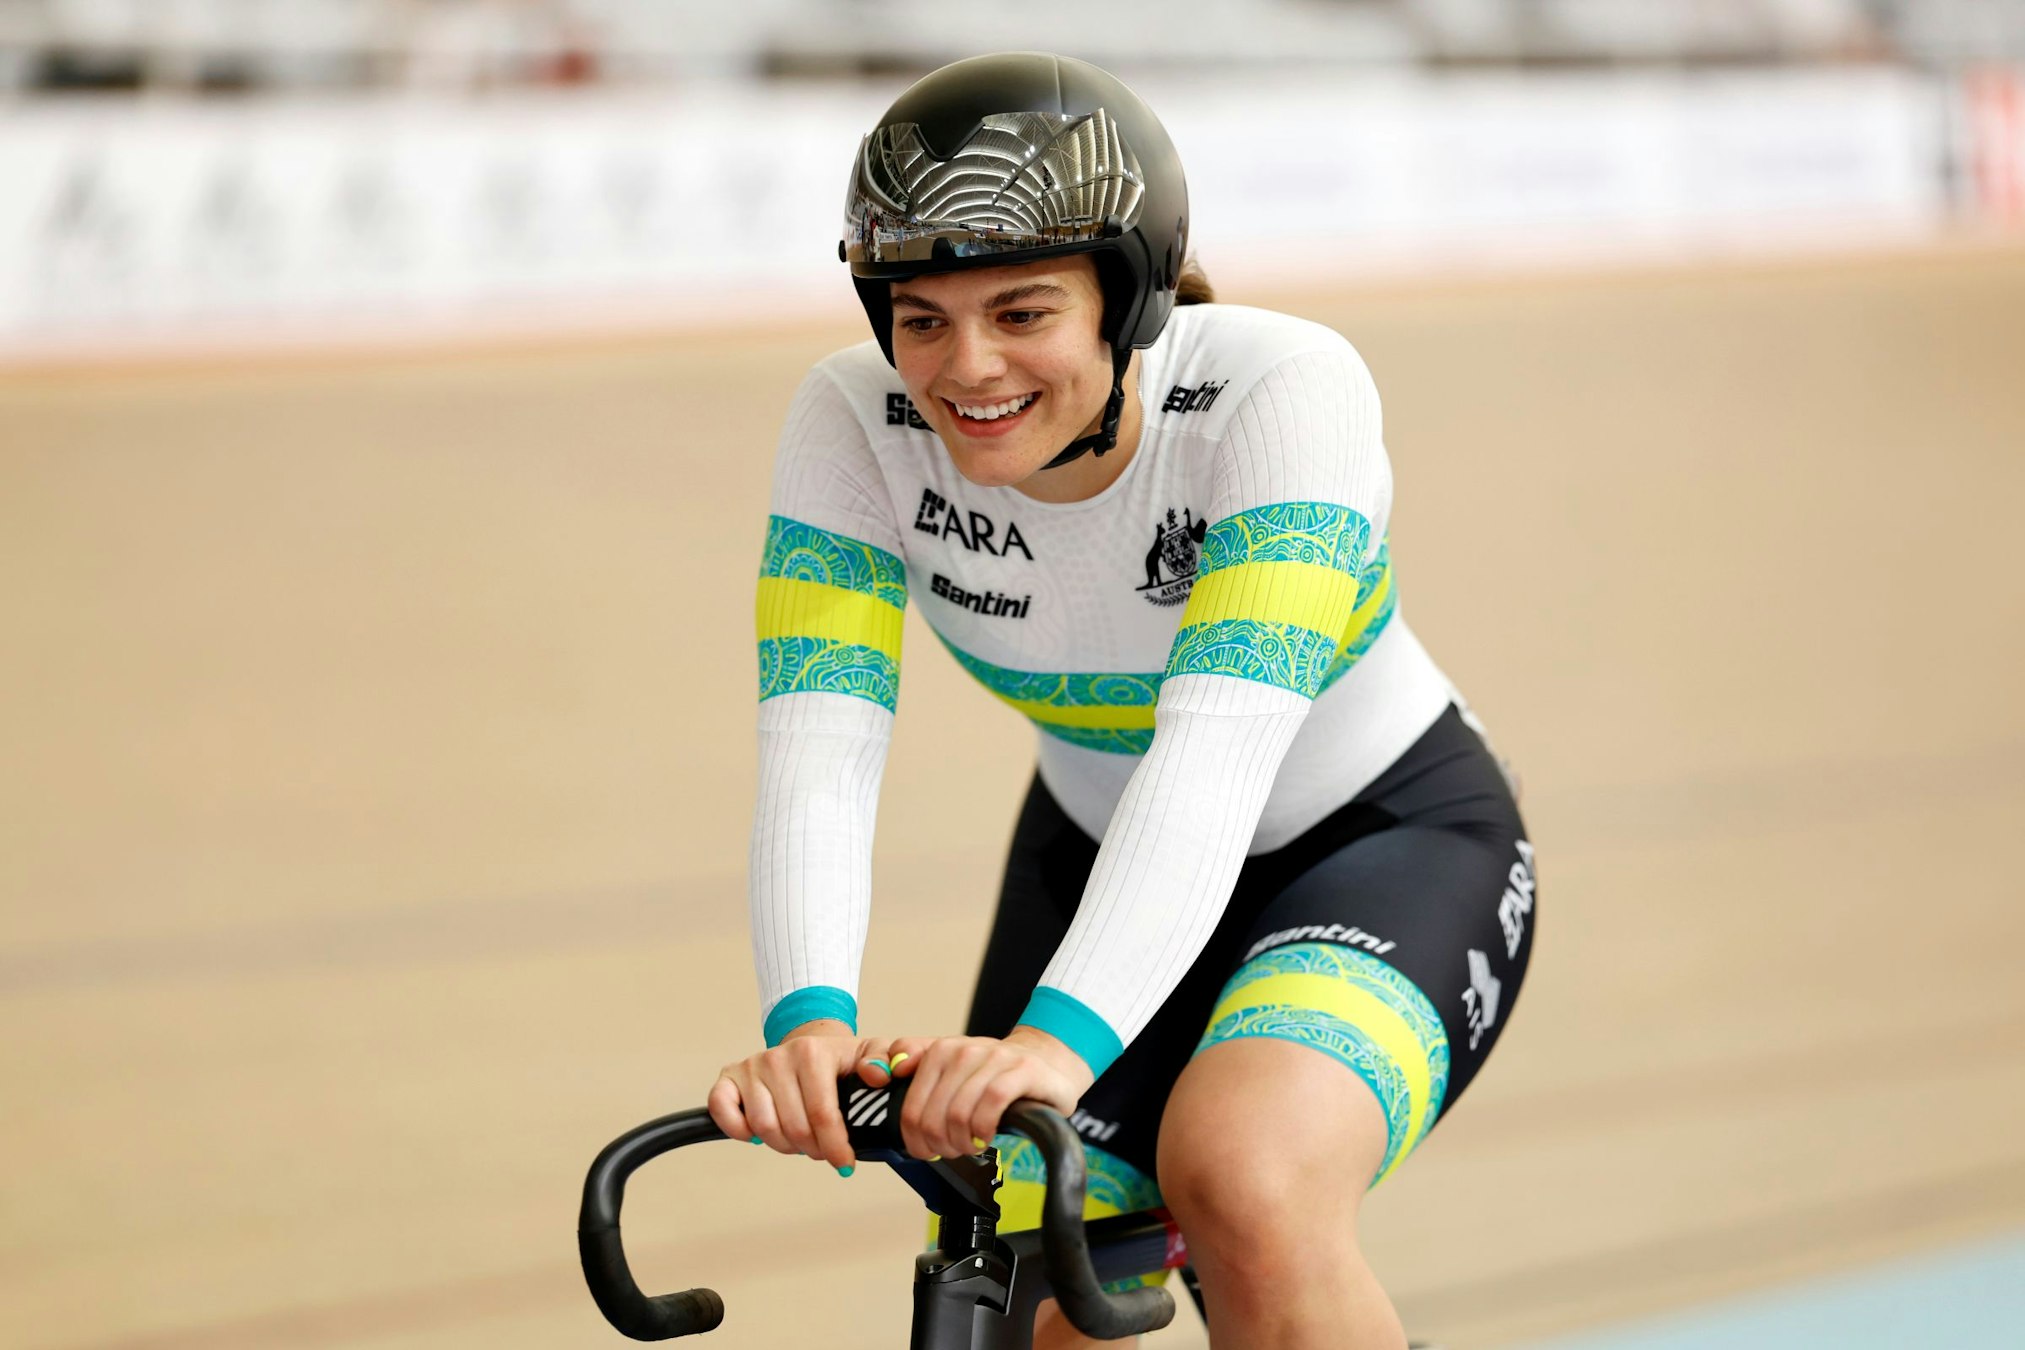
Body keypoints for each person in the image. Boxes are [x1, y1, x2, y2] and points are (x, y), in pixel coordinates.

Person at [707, 52, 1535, 1350]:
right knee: (1022, 1246)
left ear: (1129, 300)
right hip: (1100, 849)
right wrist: (808, 1018)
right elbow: (820, 745)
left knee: (1244, 1180)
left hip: (1380, 840)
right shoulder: (852, 420)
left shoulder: (1280, 395)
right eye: (919, 316)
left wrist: (1054, 1040)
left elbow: (1213, 757)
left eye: (1022, 312)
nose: (965, 368)